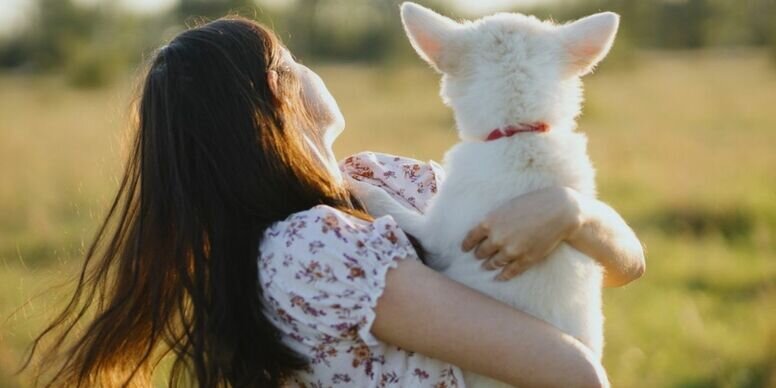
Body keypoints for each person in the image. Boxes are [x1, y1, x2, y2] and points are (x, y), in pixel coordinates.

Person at [24, 17, 644, 387]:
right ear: (278, 90)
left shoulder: (382, 177)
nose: (308, 68)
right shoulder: (306, 246)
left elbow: (624, 267)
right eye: (294, 61)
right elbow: (576, 374)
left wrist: (573, 211)